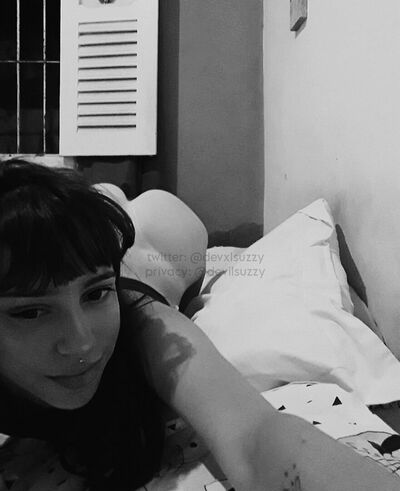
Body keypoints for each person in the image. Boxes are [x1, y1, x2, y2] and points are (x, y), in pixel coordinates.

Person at [0, 158, 399, 491]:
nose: (82, 343)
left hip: (154, 254)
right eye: (30, 312)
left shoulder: (145, 325)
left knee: (154, 221)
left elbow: (256, 438)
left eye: (95, 294)